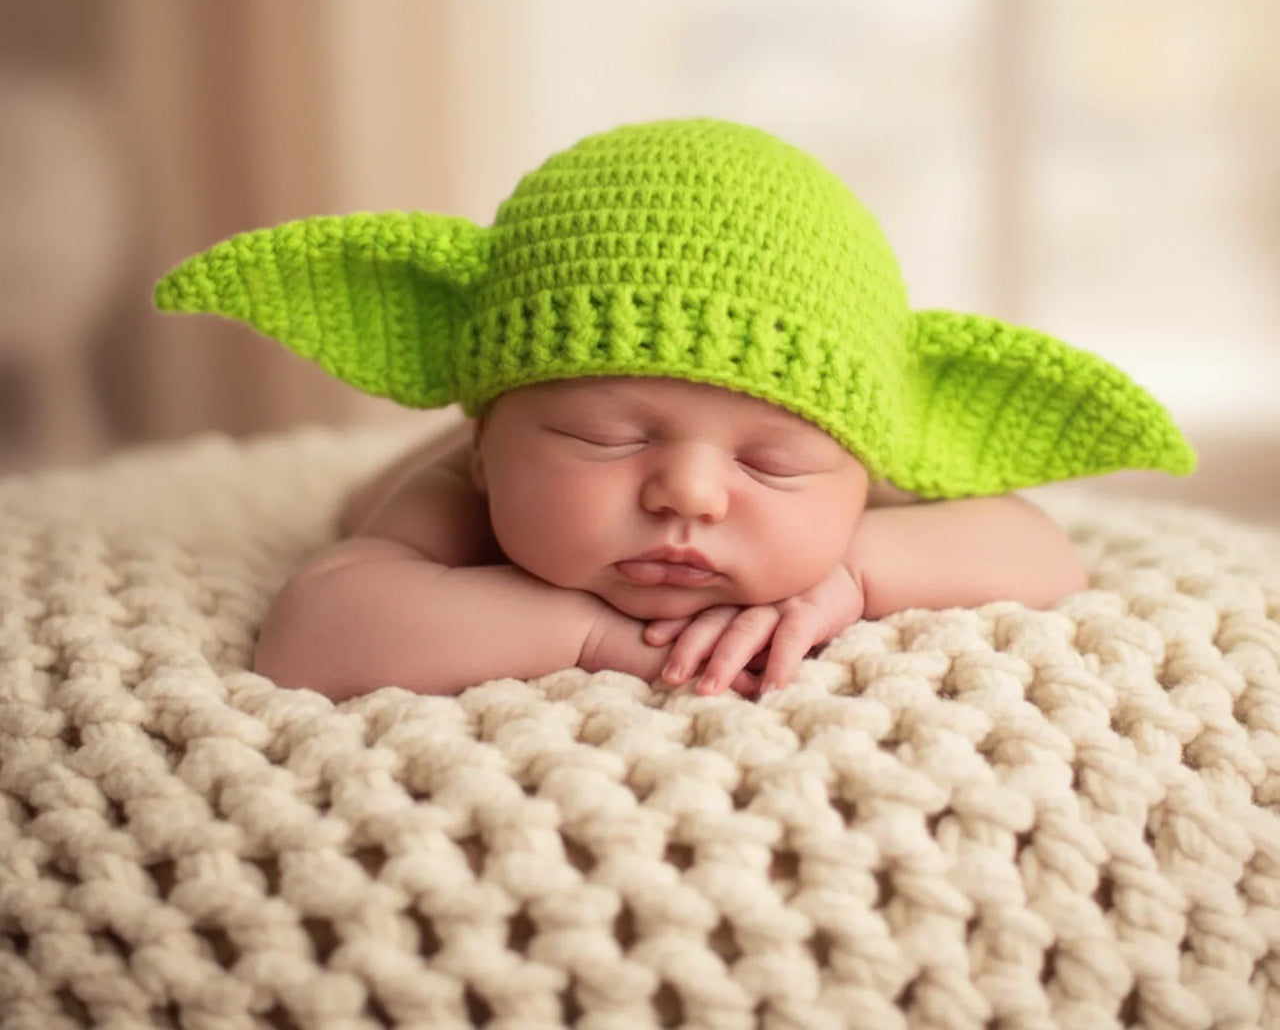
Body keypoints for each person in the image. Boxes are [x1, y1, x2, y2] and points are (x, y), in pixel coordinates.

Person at [155, 118, 1195, 701]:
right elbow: (316, 632)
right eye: (604, 435)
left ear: (865, 465)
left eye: (770, 462)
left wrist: (851, 575)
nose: (688, 492)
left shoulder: (855, 473)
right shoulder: (464, 490)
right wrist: (586, 635)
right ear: (486, 445)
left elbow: (1039, 550)